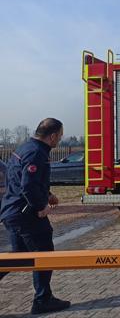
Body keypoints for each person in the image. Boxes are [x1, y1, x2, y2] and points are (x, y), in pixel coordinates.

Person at [0, 118, 71, 314]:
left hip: (12, 212)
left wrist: (48, 195)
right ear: (53, 136)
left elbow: (23, 179)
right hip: (25, 215)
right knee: (44, 253)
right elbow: (28, 185)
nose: (60, 140)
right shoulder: (36, 153)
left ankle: (43, 297)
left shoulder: (26, 148)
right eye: (60, 136)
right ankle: (43, 300)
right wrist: (40, 206)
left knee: (19, 256)